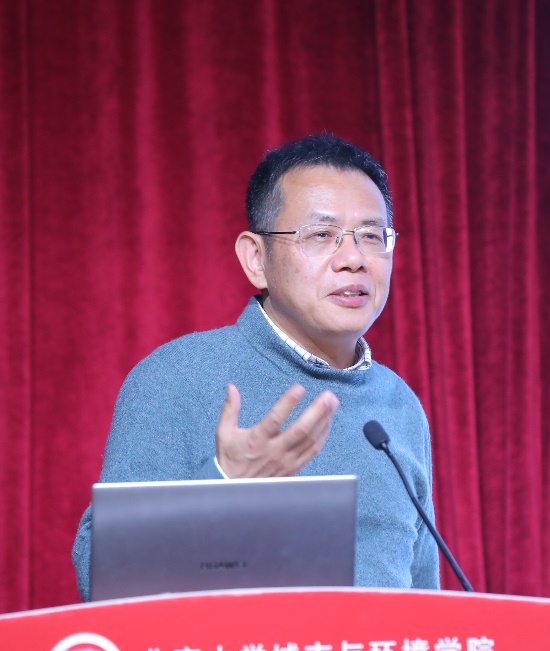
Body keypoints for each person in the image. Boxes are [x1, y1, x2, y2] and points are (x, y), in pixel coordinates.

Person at [72, 133, 439, 601]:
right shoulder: (176, 379)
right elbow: (98, 579)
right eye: (321, 235)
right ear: (256, 258)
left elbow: (426, 603)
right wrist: (224, 487)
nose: (354, 259)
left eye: (371, 236)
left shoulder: (399, 405)